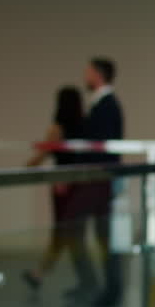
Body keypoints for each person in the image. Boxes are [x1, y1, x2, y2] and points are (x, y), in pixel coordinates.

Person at [21, 86, 97, 295]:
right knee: (72, 234)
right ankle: (47, 274)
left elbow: (41, 155)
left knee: (64, 234)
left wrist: (25, 167)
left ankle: (45, 274)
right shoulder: (85, 125)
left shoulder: (57, 128)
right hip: (78, 185)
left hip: (63, 186)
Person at [80, 57, 126, 307]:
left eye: (88, 71)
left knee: (107, 238)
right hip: (100, 183)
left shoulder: (107, 105)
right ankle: (108, 290)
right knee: (103, 238)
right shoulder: (102, 104)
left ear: (98, 74)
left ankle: (111, 291)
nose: (85, 75)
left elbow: (102, 149)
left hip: (102, 184)